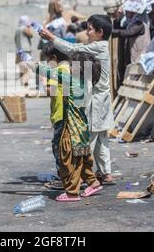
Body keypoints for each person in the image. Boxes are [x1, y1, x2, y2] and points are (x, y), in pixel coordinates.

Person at [39, 15, 116, 185]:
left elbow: (73, 49)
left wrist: (51, 37)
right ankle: (105, 173)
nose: (87, 33)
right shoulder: (99, 46)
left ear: (100, 32)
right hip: (101, 100)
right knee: (101, 140)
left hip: (95, 102)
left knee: (85, 141)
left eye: (89, 29)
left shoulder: (99, 47)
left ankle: (76, 178)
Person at [31, 52, 103, 201]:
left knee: (69, 160)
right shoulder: (84, 82)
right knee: (82, 158)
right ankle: (93, 182)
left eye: (72, 64)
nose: (69, 66)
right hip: (82, 126)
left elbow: (48, 72)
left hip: (71, 127)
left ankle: (72, 192)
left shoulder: (70, 79)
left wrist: (34, 65)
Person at [42, 43, 70, 189]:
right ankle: (72, 176)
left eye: (48, 60)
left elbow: (50, 91)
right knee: (67, 146)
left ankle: (64, 178)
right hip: (68, 115)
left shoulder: (57, 71)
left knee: (58, 147)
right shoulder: (69, 68)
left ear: (54, 57)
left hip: (60, 114)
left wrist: (43, 81)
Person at [14, 15, 34, 87]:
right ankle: (25, 85)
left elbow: (15, 40)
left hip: (19, 51)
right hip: (26, 52)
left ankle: (23, 86)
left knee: (22, 70)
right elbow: (31, 35)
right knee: (27, 70)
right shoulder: (25, 28)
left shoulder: (17, 29)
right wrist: (29, 26)